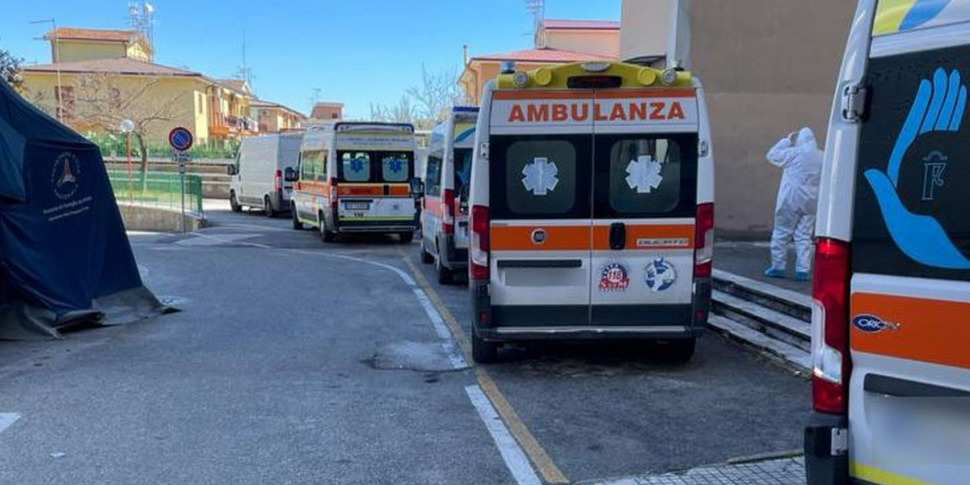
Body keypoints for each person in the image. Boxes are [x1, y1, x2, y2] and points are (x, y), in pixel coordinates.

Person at [764, 127, 824, 282]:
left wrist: (786, 141)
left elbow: (771, 155)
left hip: (790, 199)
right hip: (811, 201)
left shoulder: (793, 153)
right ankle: (803, 270)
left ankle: (778, 267)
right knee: (804, 236)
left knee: (782, 233)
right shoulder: (822, 156)